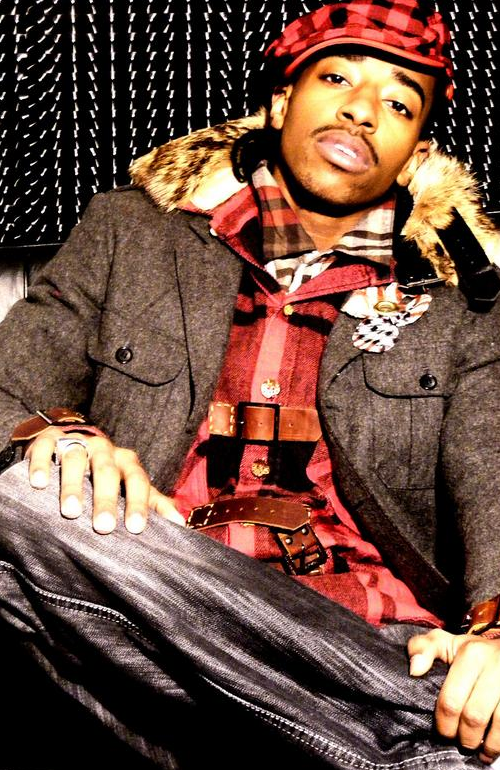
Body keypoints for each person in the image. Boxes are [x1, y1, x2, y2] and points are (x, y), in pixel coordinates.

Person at [0, 0, 500, 767]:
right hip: (147, 581)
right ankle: (406, 746)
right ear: (281, 101)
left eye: (400, 104)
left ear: (416, 152)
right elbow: (9, 388)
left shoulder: (462, 301)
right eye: (337, 78)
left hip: (361, 634)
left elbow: (494, 471)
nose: (364, 111)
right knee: (22, 495)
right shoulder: (129, 232)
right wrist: (60, 436)